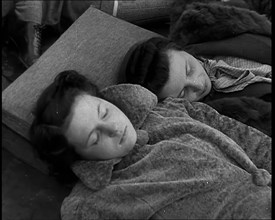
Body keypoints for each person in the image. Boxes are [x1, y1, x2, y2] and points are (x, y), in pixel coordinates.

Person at [29, 70, 271, 219]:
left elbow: (246, 137)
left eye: (104, 113)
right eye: (95, 138)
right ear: (80, 157)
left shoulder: (171, 108)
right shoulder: (95, 202)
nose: (114, 128)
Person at [121, 37, 272, 136]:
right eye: (182, 93)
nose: (198, 85)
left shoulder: (218, 31)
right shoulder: (219, 120)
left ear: (184, 50)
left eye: (189, 69)